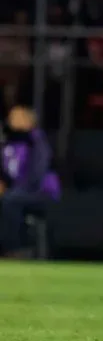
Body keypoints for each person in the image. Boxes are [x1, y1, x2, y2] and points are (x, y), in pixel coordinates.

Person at [0, 105, 60, 257]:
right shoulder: (7, 143)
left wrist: (12, 189)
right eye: (11, 116)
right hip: (16, 193)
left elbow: (36, 174)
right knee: (9, 199)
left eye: (17, 116)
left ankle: (17, 248)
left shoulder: (37, 141)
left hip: (41, 192)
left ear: (28, 121)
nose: (12, 120)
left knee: (9, 200)